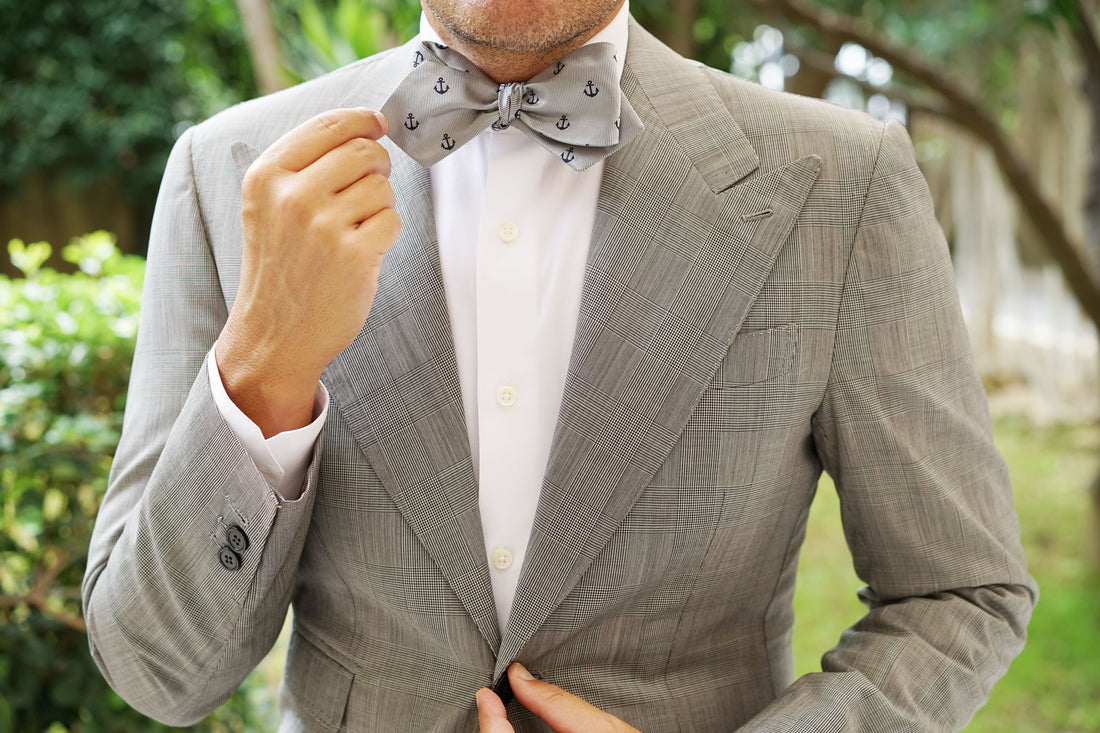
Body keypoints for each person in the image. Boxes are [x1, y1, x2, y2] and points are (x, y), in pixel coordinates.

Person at [82, 0, 1037, 730]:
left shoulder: (842, 184)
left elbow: (959, 594)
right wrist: (265, 359)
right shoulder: (227, 172)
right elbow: (160, 668)